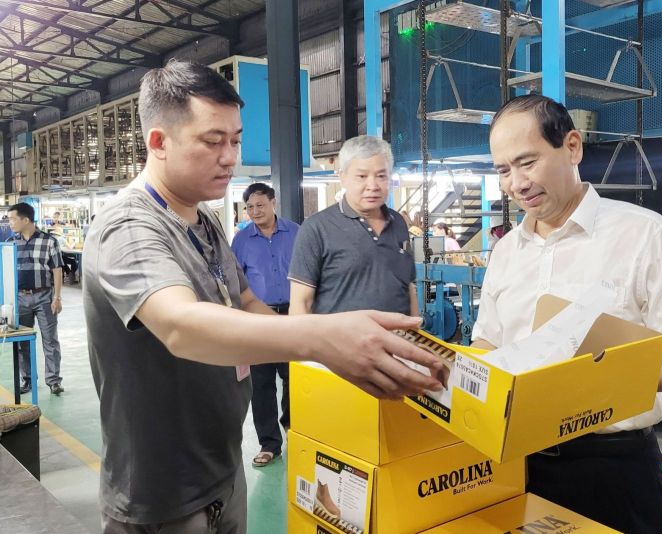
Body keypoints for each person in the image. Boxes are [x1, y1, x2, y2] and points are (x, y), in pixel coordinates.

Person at [82, 61, 445, 533]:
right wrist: (321, 338)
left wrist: (325, 349)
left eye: (235, 140)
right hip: (163, 494)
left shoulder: (204, 220)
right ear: (159, 142)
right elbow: (179, 325)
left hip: (221, 469)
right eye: (213, 141)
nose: (230, 157)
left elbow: (246, 299)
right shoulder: (129, 226)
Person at [472, 94, 662, 534]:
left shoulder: (643, 234)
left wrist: (590, 384)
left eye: (527, 163)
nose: (516, 184)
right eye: (503, 170)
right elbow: (488, 341)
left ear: (572, 147)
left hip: (611, 470)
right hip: (516, 465)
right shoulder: (507, 250)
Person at [289, 135, 418, 319]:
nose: (372, 186)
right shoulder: (316, 229)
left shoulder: (398, 222)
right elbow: (301, 304)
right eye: (362, 176)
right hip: (339, 338)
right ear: (342, 177)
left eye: (381, 176)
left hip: (398, 337)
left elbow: (408, 286)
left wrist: (415, 328)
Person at [231, 182, 298, 468]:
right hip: (257, 322)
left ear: (273, 203)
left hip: (293, 317)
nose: (255, 211)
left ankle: (294, 429)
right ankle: (269, 444)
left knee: (295, 380)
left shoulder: (296, 233)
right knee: (261, 385)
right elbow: (234, 283)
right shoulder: (241, 241)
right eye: (250, 207)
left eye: (260, 205)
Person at [7, 202, 65, 396]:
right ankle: (28, 379)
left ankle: (53, 381)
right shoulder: (10, 242)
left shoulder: (49, 241)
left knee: (50, 340)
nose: (10, 223)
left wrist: (57, 297)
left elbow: (57, 269)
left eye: (12, 219)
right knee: (23, 342)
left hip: (44, 297)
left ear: (25, 220)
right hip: (20, 299)